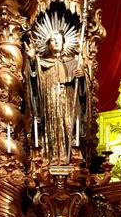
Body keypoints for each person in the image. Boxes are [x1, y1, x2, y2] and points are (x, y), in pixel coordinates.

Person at [26, 29, 87, 163]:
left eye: (59, 39)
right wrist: (31, 61)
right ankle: (52, 157)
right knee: (52, 126)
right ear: (48, 45)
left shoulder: (72, 63)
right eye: (53, 39)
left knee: (68, 125)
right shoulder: (42, 63)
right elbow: (34, 83)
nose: (56, 41)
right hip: (50, 101)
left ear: (64, 43)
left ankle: (71, 157)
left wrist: (82, 78)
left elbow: (82, 92)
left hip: (68, 101)